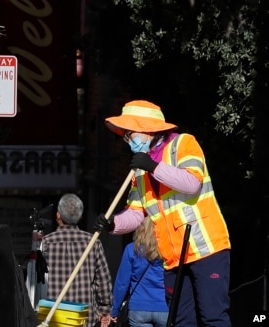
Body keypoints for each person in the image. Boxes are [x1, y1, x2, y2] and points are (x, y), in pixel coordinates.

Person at [96, 100, 231, 327]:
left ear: (149, 129)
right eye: (126, 136)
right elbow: (137, 214)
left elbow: (192, 183)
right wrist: (112, 224)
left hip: (206, 248)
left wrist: (153, 167)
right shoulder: (139, 171)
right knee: (181, 322)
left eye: (130, 133)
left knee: (213, 317)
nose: (128, 140)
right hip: (173, 257)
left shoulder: (183, 144)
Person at [39, 193, 112, 327]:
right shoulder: (93, 242)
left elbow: (38, 281)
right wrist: (104, 310)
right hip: (85, 316)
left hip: (55, 316)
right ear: (81, 217)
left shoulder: (46, 243)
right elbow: (103, 280)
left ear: (58, 215)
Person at [111, 218, 169, 327]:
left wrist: (114, 310)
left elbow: (122, 284)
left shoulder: (131, 249)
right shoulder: (167, 250)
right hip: (164, 307)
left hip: (138, 307)